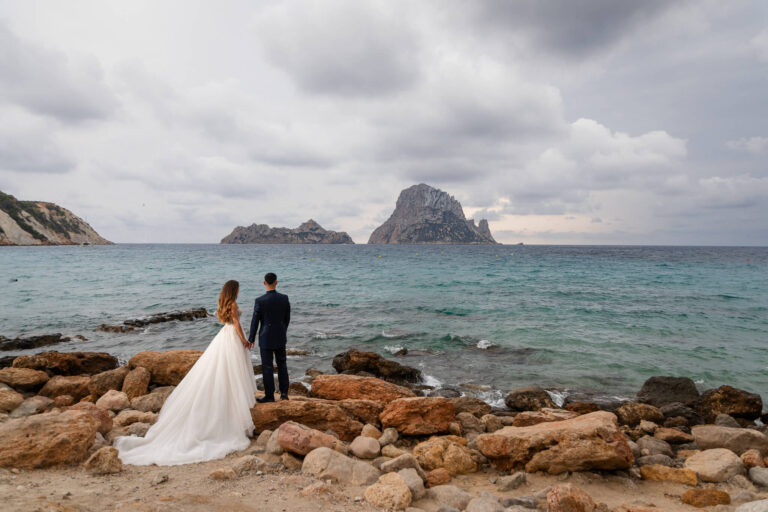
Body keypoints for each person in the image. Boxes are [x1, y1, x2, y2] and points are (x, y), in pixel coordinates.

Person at [114, 280, 257, 465]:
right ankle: (237, 413)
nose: (239, 291)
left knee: (224, 371)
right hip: (232, 336)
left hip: (224, 336)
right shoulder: (233, 304)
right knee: (233, 371)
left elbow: (229, 321)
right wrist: (244, 340)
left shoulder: (222, 303)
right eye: (237, 289)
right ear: (234, 290)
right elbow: (236, 323)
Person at [249, 272, 291, 403]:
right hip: (280, 335)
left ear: (264, 283)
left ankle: (269, 396)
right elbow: (287, 318)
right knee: (282, 364)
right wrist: (283, 331)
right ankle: (284, 394)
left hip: (265, 337)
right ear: (276, 282)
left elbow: (255, 322)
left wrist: (251, 339)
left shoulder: (260, 301)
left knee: (267, 367)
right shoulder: (284, 298)